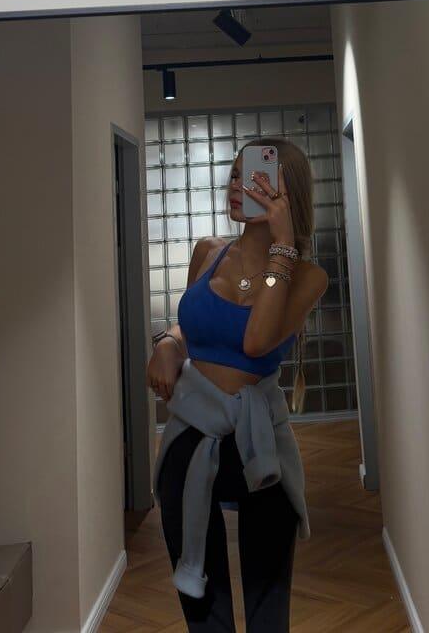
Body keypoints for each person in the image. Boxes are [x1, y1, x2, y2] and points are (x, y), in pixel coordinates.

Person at [146, 136, 328, 632]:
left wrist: (282, 244)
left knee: (268, 603)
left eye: (253, 178)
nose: (235, 186)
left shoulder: (308, 277)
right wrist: (168, 342)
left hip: (259, 443)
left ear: (286, 193)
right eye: (233, 175)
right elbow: (194, 327)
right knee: (203, 606)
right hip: (190, 438)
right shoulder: (208, 252)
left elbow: (256, 340)